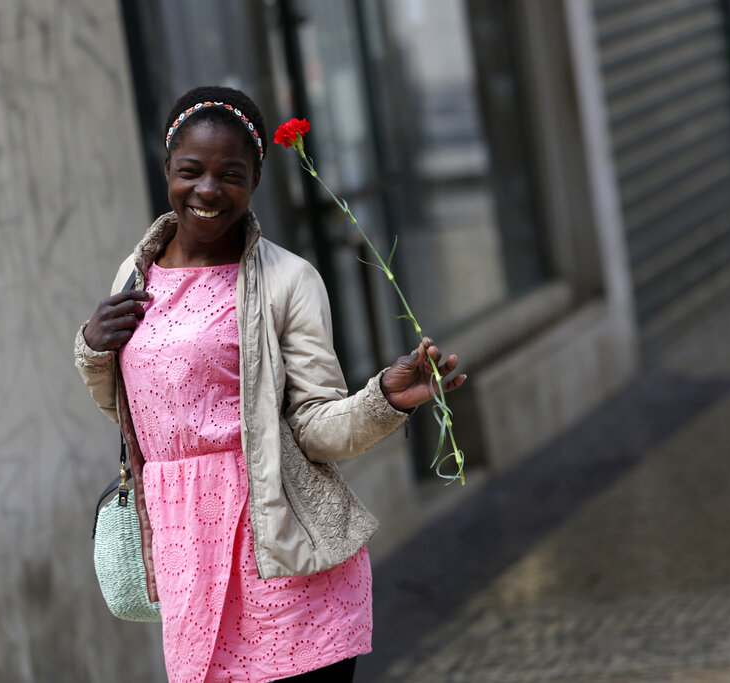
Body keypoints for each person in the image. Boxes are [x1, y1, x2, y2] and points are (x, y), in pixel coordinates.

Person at [75, 85, 465, 683]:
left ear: (256, 178)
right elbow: (137, 417)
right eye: (191, 171)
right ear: (167, 172)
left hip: (281, 557)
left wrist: (382, 400)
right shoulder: (134, 274)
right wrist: (93, 350)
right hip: (189, 555)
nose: (208, 189)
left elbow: (314, 426)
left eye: (230, 173)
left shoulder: (290, 280)